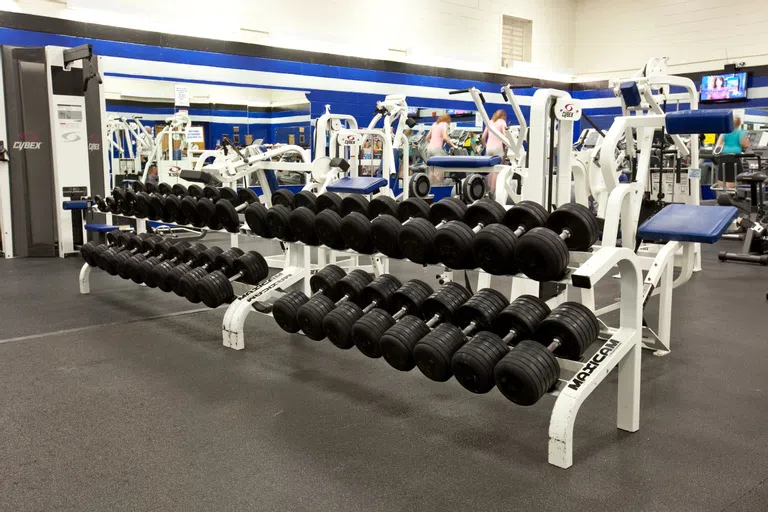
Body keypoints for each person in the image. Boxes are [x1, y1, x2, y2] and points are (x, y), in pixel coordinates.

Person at [715, 116, 750, 190]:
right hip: (735, 158)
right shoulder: (741, 132)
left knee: (722, 180)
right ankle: (734, 196)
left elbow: (718, 145)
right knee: (735, 180)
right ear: (739, 123)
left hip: (724, 157)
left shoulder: (724, 132)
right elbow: (744, 144)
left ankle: (723, 195)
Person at [482, 110, 508, 194]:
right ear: (503, 116)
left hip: (489, 148)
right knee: (497, 171)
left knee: (490, 170)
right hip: (498, 148)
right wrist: (506, 147)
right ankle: (493, 192)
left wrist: (485, 145)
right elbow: (505, 136)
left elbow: (483, 137)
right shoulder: (502, 122)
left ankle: (488, 190)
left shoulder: (490, 122)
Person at [426, 114, 456, 184]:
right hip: (436, 149)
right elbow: (445, 137)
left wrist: (432, 143)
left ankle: (431, 186)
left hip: (429, 148)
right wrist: (453, 145)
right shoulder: (444, 124)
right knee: (439, 169)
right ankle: (438, 186)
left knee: (431, 170)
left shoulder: (434, 124)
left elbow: (427, 137)